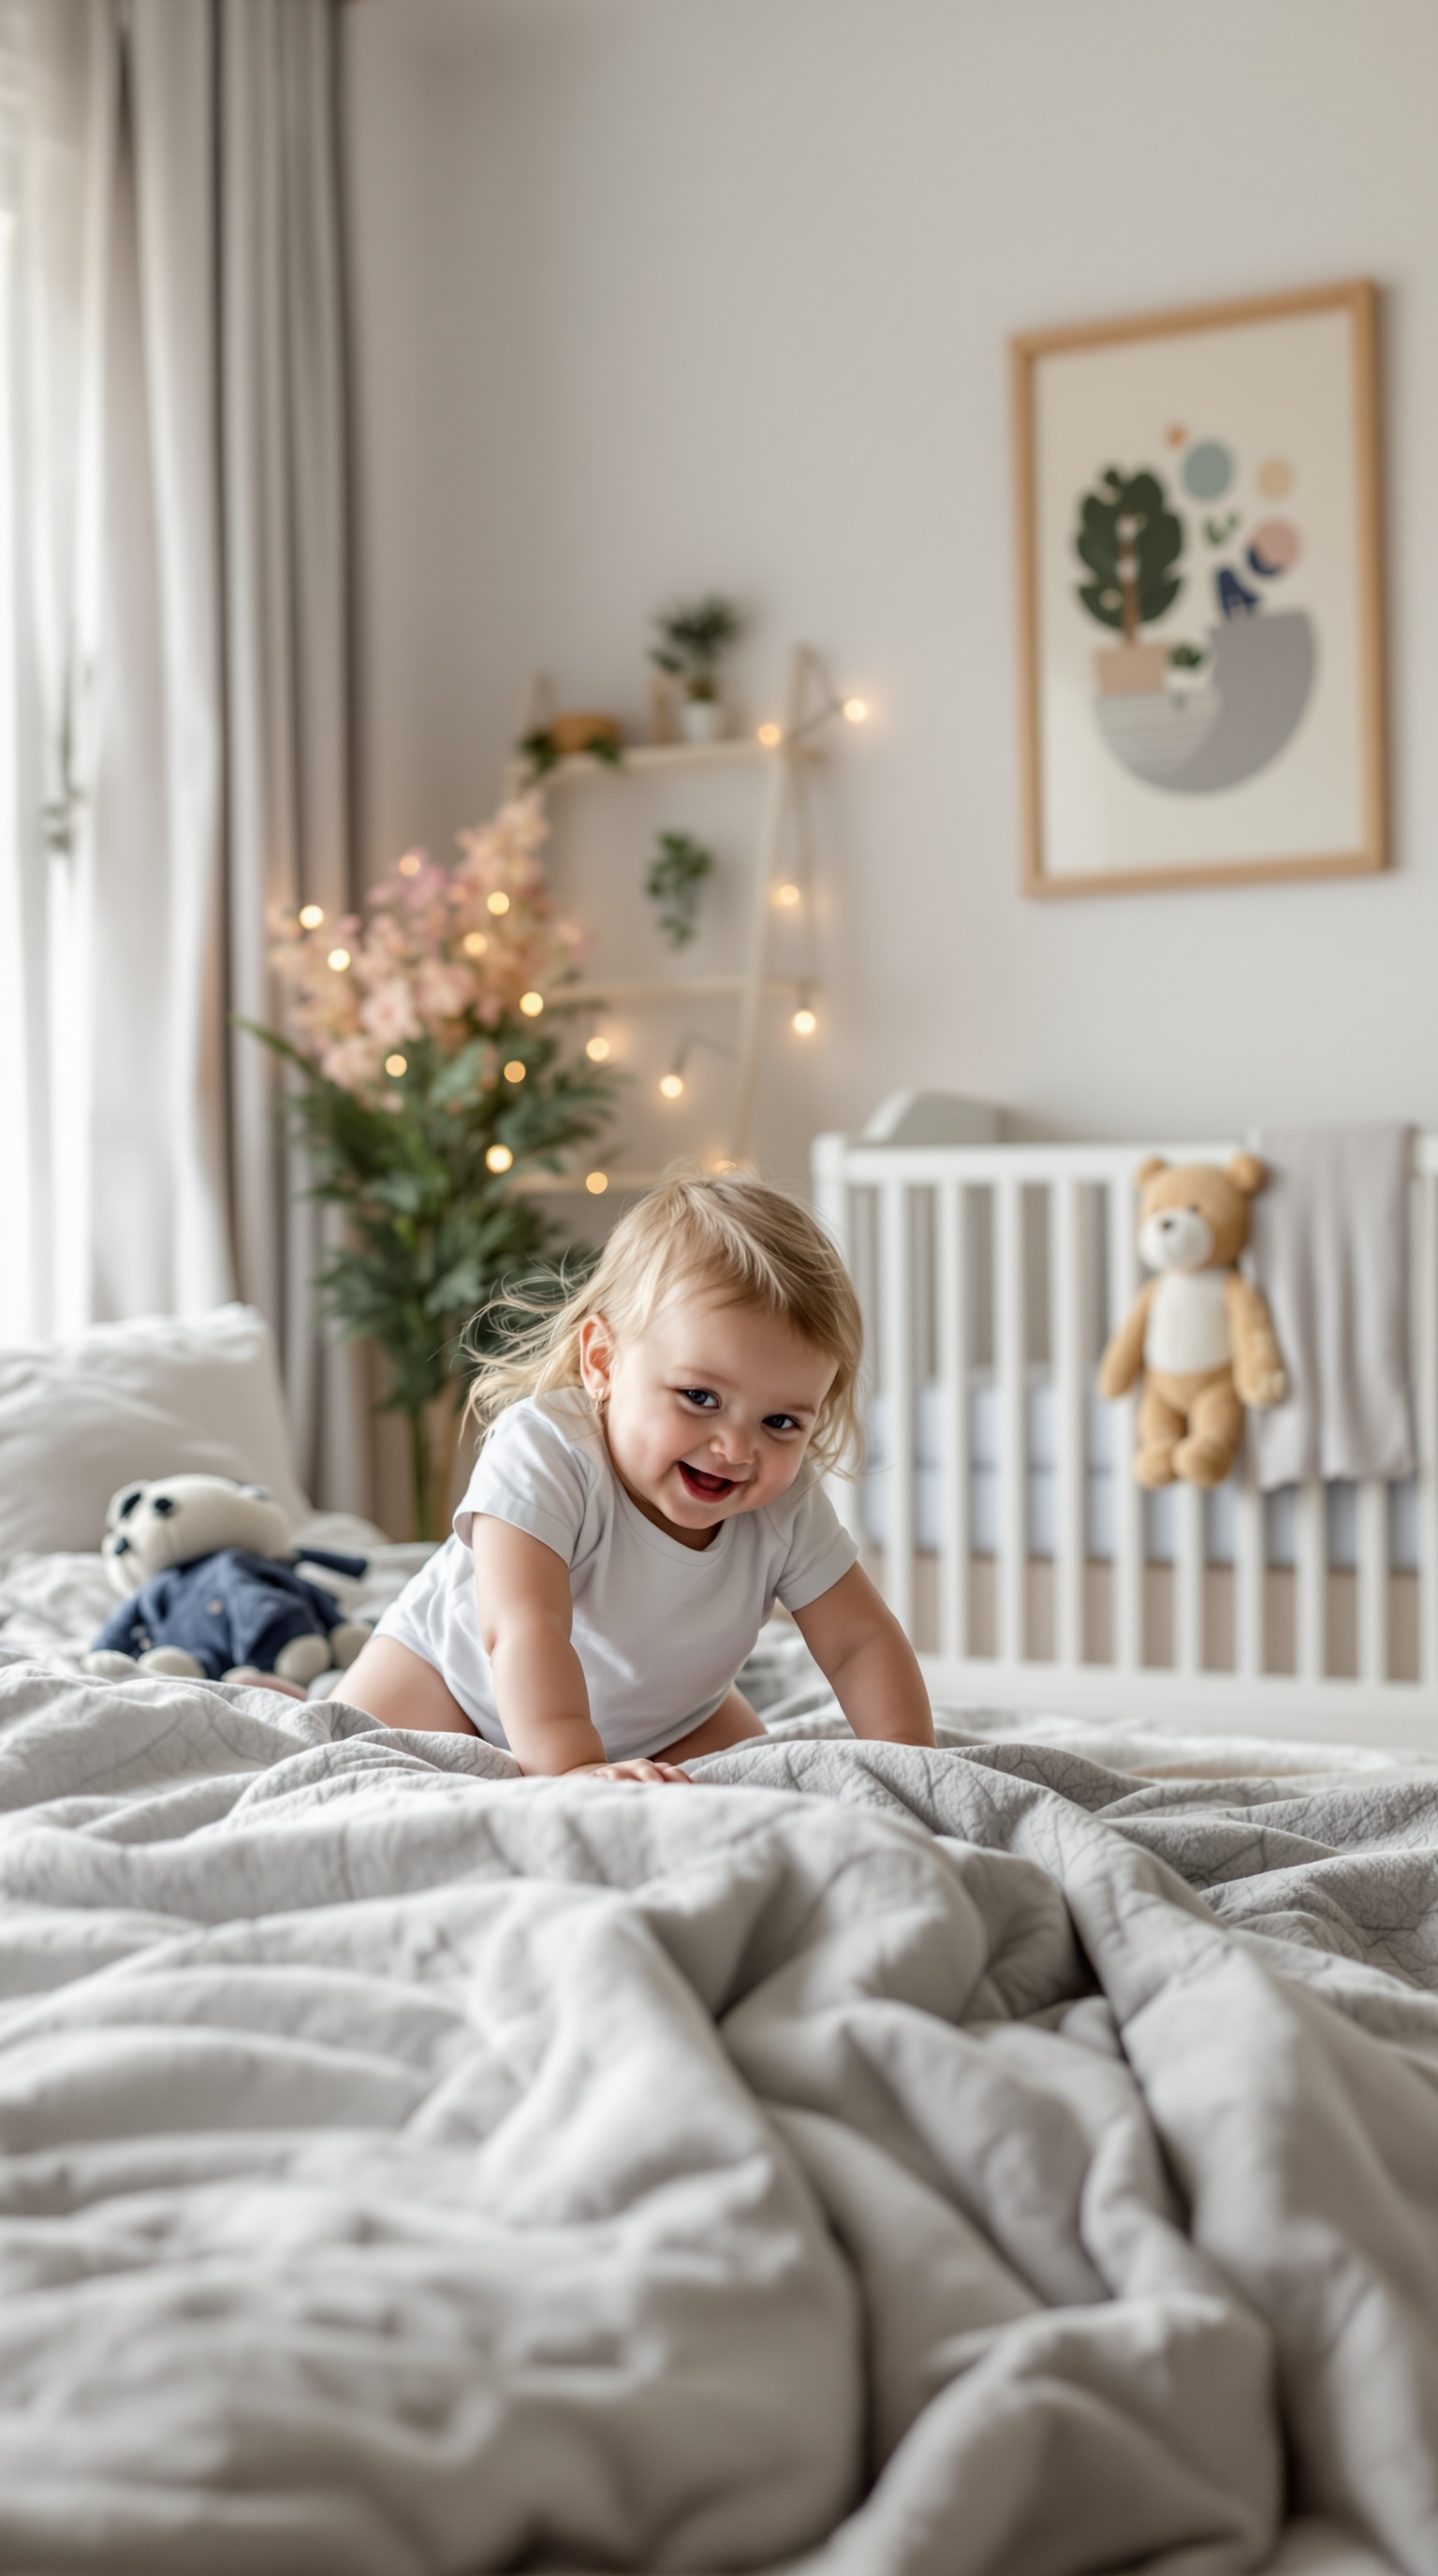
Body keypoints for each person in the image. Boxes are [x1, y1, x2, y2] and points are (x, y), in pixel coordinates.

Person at [340, 1171, 935, 1782]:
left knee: (763, 1790)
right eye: (700, 1397)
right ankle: (291, 1685)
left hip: (675, 1722)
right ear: (601, 1361)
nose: (736, 1448)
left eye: (781, 1420)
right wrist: (576, 1766)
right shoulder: (548, 1451)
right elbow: (524, 1627)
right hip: (455, 1680)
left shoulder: (786, 1503)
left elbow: (859, 1641)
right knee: (352, 1751)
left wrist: (912, 1761)